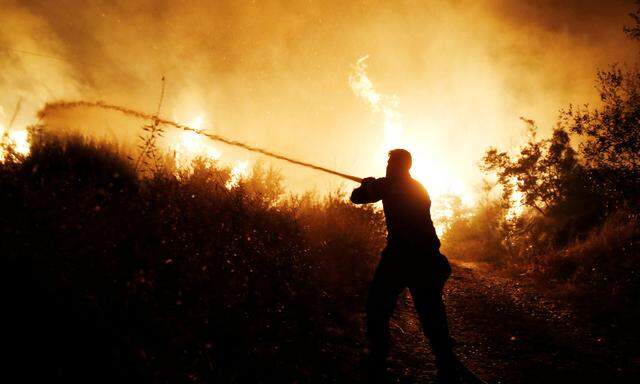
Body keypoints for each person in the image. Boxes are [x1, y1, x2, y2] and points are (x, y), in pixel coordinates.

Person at [350, 149, 457, 383]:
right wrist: (374, 185)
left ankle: (377, 363)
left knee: (377, 308)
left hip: (401, 257)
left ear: (401, 165)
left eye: (391, 162)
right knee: (431, 315)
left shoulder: (388, 185)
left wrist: (369, 185)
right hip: (426, 256)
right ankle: (446, 363)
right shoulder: (417, 187)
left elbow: (356, 197)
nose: (388, 165)